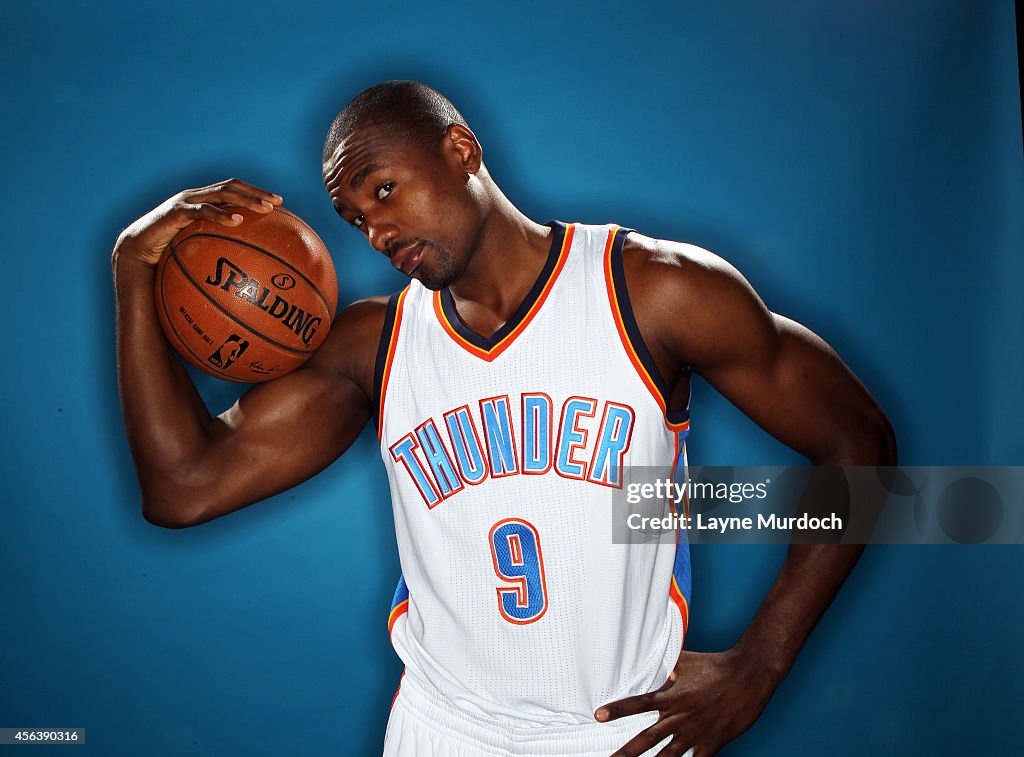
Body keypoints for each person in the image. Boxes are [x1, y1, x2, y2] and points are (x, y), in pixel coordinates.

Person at [113, 81, 896, 757]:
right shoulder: (375, 345)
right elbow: (182, 486)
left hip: (617, 730)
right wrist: (132, 268)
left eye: (382, 190)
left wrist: (760, 664)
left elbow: (857, 444)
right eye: (354, 218)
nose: (378, 233)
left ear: (461, 149)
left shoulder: (652, 293)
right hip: (442, 729)